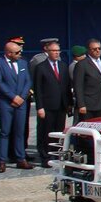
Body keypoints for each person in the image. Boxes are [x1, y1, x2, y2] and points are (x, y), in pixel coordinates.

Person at [0, 40, 33, 172]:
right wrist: (13, 96)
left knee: (20, 131)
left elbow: (27, 81)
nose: (20, 54)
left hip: (21, 102)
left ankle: (21, 158)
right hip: (6, 103)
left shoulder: (23, 63)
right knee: (5, 132)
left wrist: (22, 96)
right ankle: (2, 160)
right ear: (8, 53)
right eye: (17, 52)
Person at [32, 40, 70, 168]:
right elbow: (38, 89)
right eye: (54, 51)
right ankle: (45, 156)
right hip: (47, 106)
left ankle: (57, 154)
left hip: (61, 105)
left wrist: (69, 103)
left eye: (58, 51)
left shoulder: (63, 66)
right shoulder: (41, 67)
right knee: (46, 132)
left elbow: (66, 86)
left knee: (59, 132)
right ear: (47, 52)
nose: (56, 53)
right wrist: (39, 107)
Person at [72, 38, 101, 122]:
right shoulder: (82, 64)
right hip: (88, 105)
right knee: (88, 131)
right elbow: (78, 86)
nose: (98, 51)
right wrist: (81, 104)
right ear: (88, 50)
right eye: (94, 49)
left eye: (99, 48)